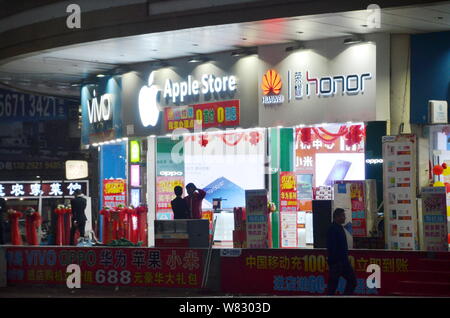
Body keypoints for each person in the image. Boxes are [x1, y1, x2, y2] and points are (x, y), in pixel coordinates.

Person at [326, 208, 357, 295]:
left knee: (333, 286)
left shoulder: (338, 228)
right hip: (338, 263)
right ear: (337, 217)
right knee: (334, 286)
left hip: (341, 262)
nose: (345, 218)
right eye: (343, 216)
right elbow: (332, 247)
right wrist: (335, 262)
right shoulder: (333, 229)